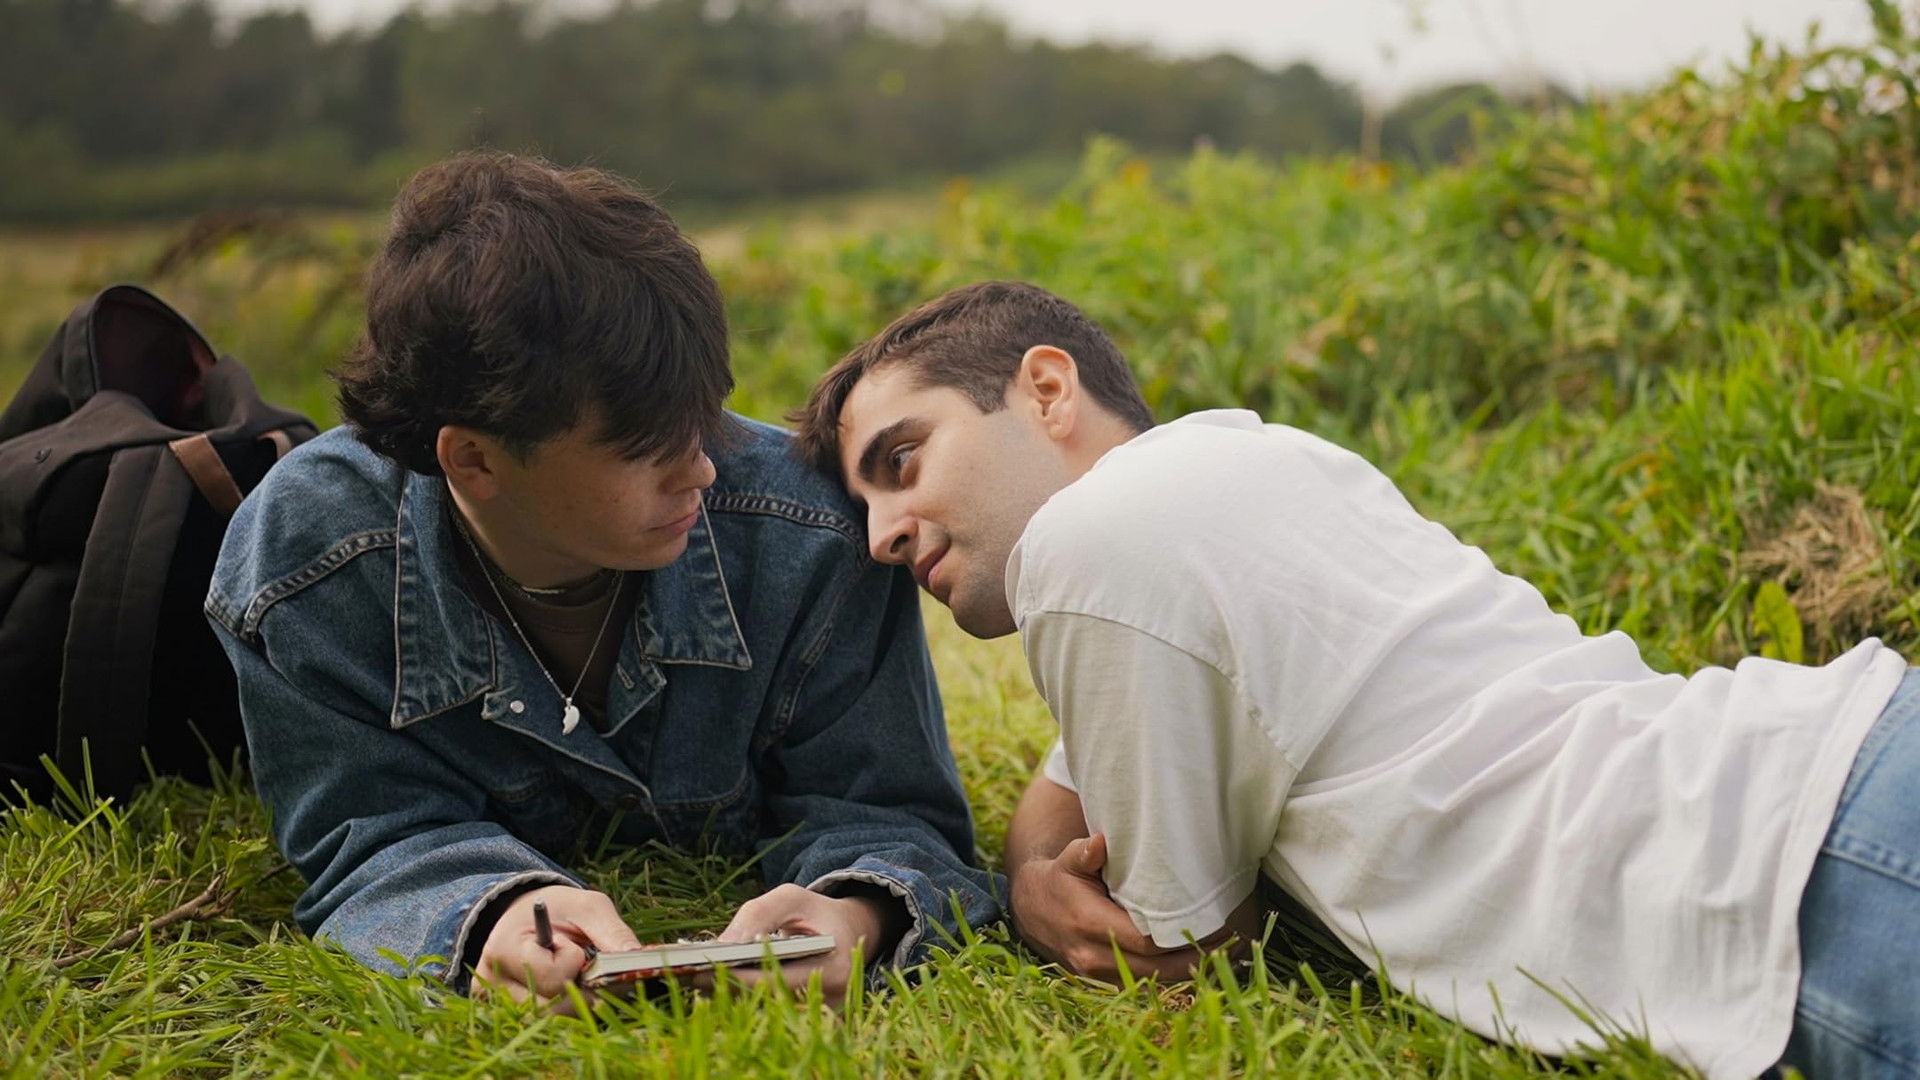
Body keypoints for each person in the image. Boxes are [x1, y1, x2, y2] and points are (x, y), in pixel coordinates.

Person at [791, 279, 1919, 1079]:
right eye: (867, 503)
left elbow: (1174, 962)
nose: (883, 533)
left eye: (903, 460)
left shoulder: (1093, 543)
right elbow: (1068, 787)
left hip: (1800, 876)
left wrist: (1046, 906)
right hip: (1824, 766)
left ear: (1047, 390)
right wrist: (1036, 868)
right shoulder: (1242, 465)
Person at [205, 152, 1000, 1011]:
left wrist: (857, 916)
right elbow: (363, 833)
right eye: (643, 449)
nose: (699, 470)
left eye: (698, 420)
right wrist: (492, 917)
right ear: (475, 460)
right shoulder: (305, 566)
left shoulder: (815, 536)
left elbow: (890, 813)